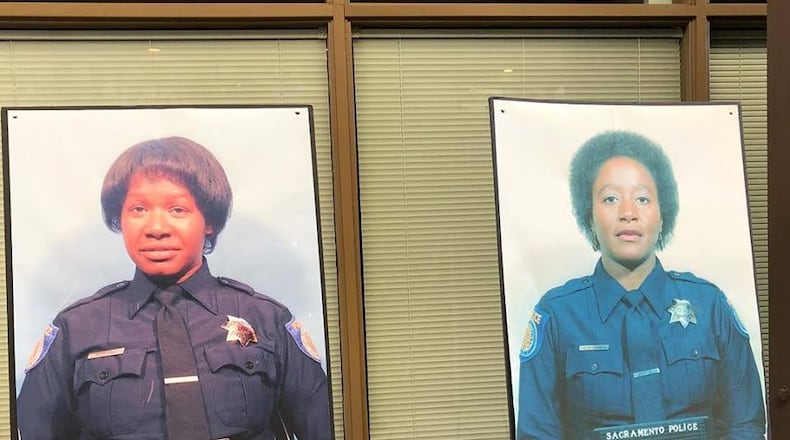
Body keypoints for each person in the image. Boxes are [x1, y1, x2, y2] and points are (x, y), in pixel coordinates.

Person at [17, 136, 332, 440]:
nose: (156, 229)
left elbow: (322, 428)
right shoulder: (76, 329)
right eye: (138, 209)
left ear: (208, 220)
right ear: (120, 219)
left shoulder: (266, 320)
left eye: (177, 210)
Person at [516, 131, 765, 439]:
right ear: (589, 215)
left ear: (663, 214)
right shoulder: (557, 315)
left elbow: (745, 425)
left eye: (643, 198)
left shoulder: (710, 305)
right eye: (610, 199)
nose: (628, 214)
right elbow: (537, 433)